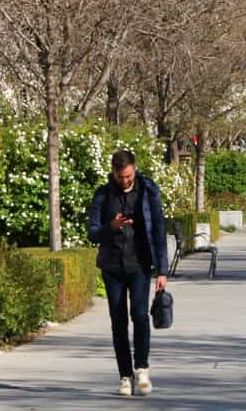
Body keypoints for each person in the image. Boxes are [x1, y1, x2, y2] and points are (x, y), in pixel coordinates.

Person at [87, 150, 169, 397]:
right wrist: (111, 227)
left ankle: (142, 368)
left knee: (140, 316)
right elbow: (92, 232)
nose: (125, 181)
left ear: (134, 169)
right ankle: (125, 375)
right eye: (121, 177)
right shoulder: (103, 195)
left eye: (129, 176)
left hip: (140, 263)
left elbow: (159, 228)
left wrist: (162, 270)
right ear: (113, 172)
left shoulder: (147, 191)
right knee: (118, 322)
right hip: (112, 265)